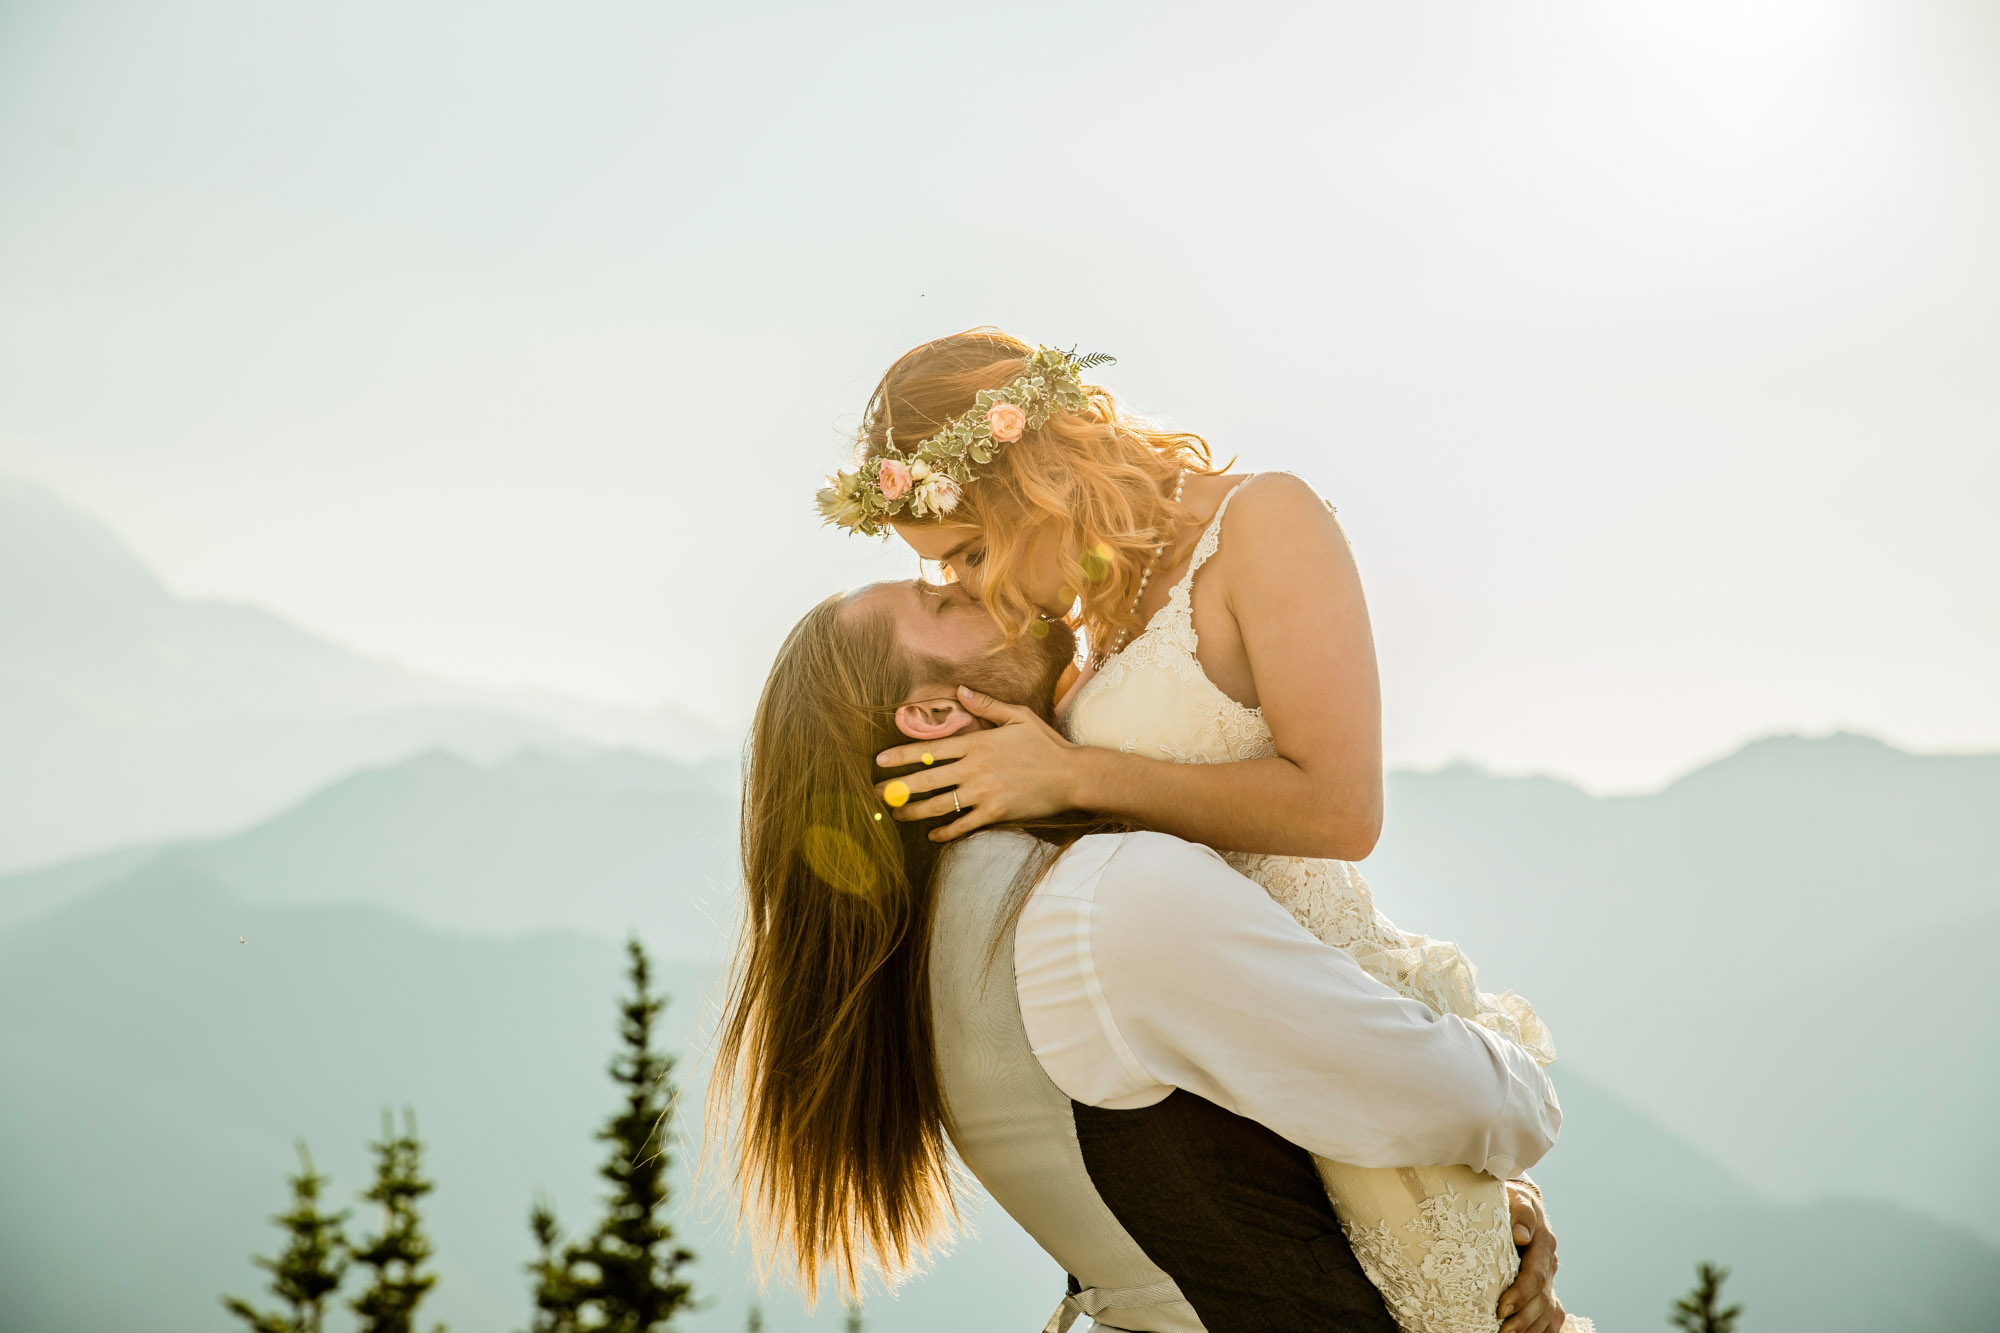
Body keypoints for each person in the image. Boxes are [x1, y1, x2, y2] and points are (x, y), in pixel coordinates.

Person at [814, 331, 1591, 1332]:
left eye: (968, 552)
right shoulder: (1094, 615)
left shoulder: (1262, 522)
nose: (978, 589)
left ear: (1031, 476)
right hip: (1256, 1061)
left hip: (1334, 1025)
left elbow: (1341, 810)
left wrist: (1071, 772)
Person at [708, 579, 1575, 1333]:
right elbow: (1466, 1099)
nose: (984, 585)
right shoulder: (1105, 901)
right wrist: (1508, 1112)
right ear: (934, 716)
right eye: (943, 602)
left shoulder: (927, 937)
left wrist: (1468, 1215)